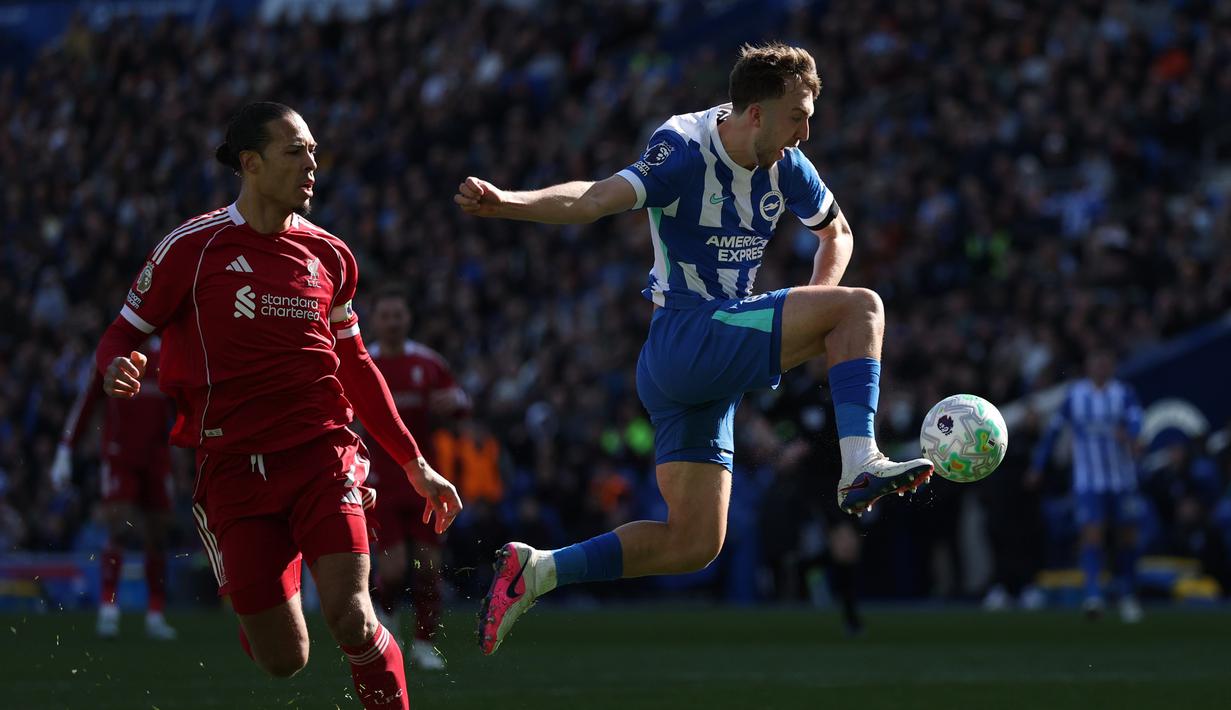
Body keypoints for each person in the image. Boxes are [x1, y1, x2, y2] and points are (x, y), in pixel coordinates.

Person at [455, 42, 933, 655]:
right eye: (797, 117)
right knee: (863, 308)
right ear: (756, 113)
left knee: (694, 542)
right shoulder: (682, 149)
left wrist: (817, 299)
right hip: (687, 335)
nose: (806, 133)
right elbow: (594, 198)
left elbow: (836, 231)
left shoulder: (786, 164)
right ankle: (860, 461)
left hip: (703, 368)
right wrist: (507, 202)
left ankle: (539, 570)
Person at [95, 102, 462, 709]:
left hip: (322, 456)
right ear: (251, 163)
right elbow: (119, 335)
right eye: (295, 152)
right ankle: (265, 588)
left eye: (313, 152)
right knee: (284, 659)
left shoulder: (331, 255)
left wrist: (414, 464)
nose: (311, 165)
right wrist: (115, 367)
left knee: (352, 616)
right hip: (233, 469)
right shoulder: (192, 248)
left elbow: (355, 365)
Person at [364, 285, 470, 670]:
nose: (393, 322)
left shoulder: (428, 363)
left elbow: (460, 403)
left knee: (429, 566)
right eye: (386, 316)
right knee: (392, 569)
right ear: (374, 320)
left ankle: (424, 644)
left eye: (398, 315)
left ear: (408, 319)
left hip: (427, 480)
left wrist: (455, 402)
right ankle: (386, 616)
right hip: (380, 482)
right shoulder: (364, 362)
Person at [52, 338, 179, 640]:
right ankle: (108, 608)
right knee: (119, 526)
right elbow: (87, 402)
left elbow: (183, 405)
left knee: (158, 534)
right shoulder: (113, 352)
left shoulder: (166, 355)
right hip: (119, 455)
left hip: (156, 457)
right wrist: (65, 449)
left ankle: (155, 613)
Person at [1028, 348, 1144, 622]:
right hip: (1089, 481)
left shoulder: (1123, 393)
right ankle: (1093, 596)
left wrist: (1131, 436)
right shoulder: (1076, 395)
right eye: (1096, 361)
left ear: (1111, 365)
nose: (1101, 366)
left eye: (1105, 361)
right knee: (1092, 535)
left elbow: (1136, 421)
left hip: (1122, 479)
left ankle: (1127, 595)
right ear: (1088, 366)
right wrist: (1038, 465)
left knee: (1127, 537)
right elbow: (1054, 430)